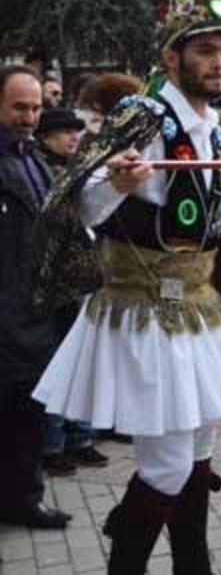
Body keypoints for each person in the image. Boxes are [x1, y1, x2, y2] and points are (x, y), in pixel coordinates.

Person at [33, 0, 221, 572]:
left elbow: (212, 220)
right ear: (173, 55)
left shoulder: (209, 128)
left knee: (201, 448)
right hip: (144, 312)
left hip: (196, 309)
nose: (218, 64)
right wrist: (116, 184)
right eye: (204, 52)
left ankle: (192, 563)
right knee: (169, 461)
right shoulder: (142, 117)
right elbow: (77, 204)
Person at [0, 66, 72, 531]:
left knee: (27, 414)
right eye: (19, 108)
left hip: (34, 312)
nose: (29, 117)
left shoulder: (37, 159)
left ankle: (24, 498)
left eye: (35, 108)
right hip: (7, 309)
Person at [34, 107, 110, 476]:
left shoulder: (79, 171)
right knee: (57, 363)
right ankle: (53, 444)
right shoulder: (43, 170)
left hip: (85, 277)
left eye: (75, 131)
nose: (72, 137)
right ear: (45, 137)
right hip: (57, 282)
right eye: (63, 131)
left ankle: (81, 438)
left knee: (83, 359)